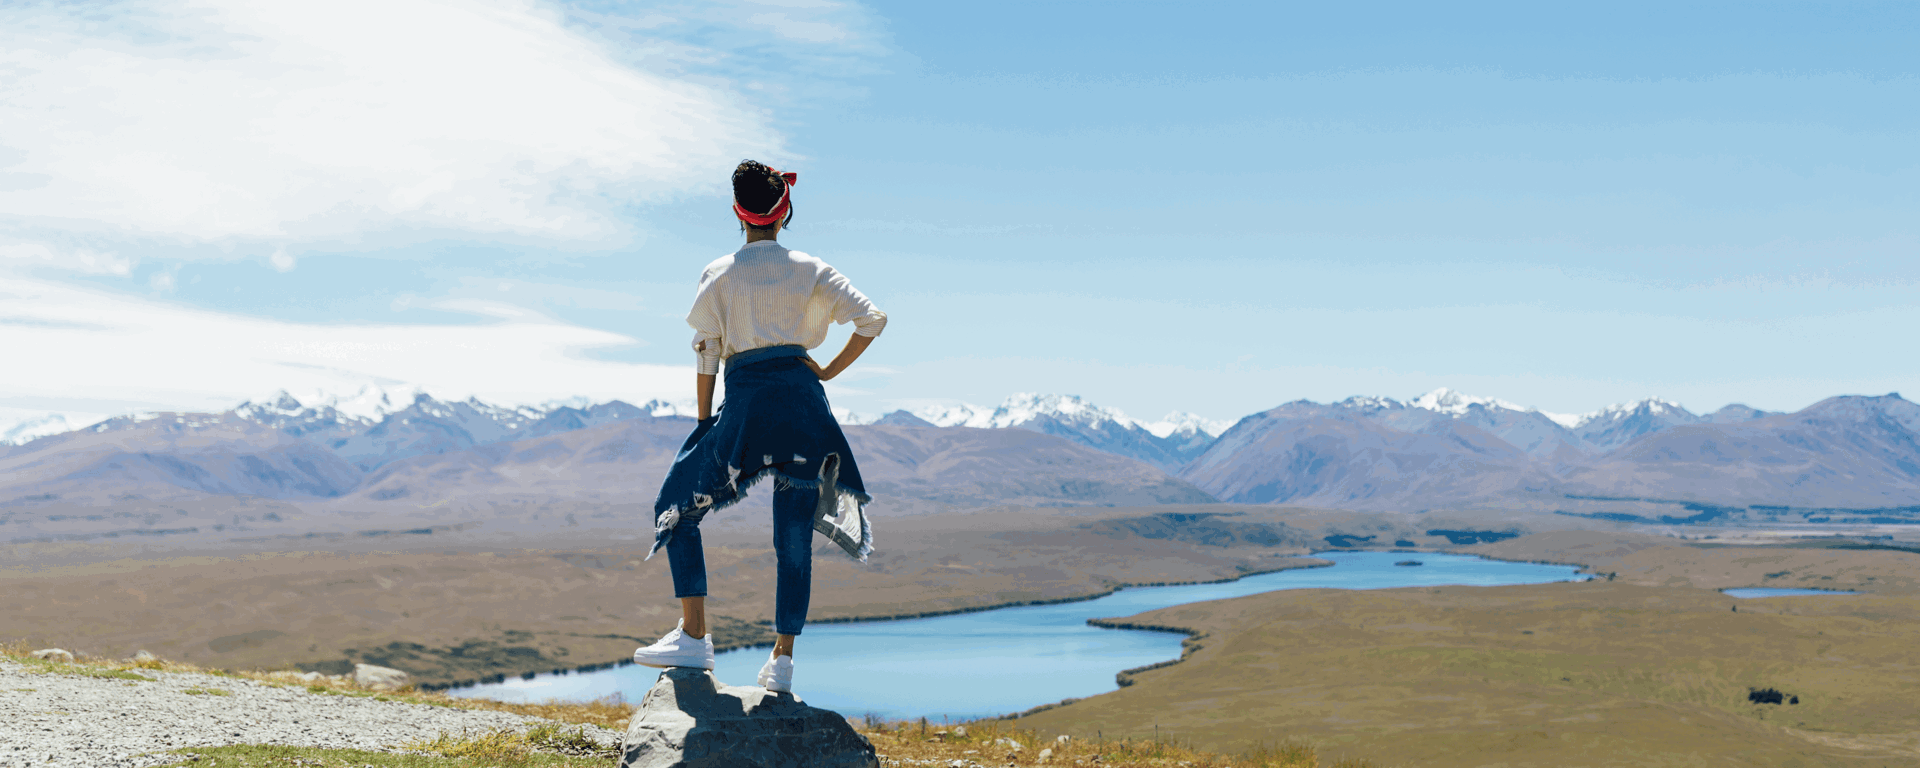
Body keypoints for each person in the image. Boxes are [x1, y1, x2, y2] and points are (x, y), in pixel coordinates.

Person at [628, 160, 886, 694]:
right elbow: (872, 319)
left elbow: (707, 353)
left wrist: (705, 424)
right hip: (804, 407)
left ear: (737, 214)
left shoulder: (718, 273)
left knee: (675, 509)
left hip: (745, 406)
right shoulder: (812, 268)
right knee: (792, 541)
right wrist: (828, 369)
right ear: (784, 210)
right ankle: (783, 664)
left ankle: (694, 638)